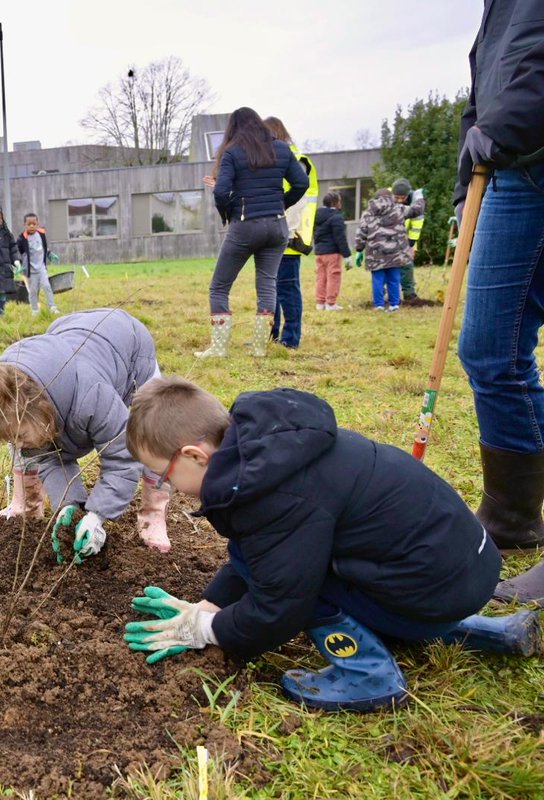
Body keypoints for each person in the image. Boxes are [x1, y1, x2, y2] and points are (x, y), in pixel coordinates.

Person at [121, 377, 540, 712]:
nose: (165, 486)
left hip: (438, 591)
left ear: (195, 455)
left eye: (163, 474)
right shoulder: (270, 451)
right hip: (464, 569)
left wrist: (210, 630)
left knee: (305, 583)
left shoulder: (274, 496)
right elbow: (255, 552)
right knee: (289, 563)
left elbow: (280, 605)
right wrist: (210, 604)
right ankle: (483, 630)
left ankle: (368, 674)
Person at [453, 0, 544, 603]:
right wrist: (469, 174)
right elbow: (489, 75)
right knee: (489, 350)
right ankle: (512, 515)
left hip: (523, 140)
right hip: (508, 169)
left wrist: (508, 122)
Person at [0, 309, 172, 557]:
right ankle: (25, 506)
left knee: (152, 432)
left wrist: (98, 514)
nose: (17, 445)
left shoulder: (92, 397)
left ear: (40, 408)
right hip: (71, 334)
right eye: (9, 439)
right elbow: (50, 457)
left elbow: (122, 456)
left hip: (129, 347)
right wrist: (72, 508)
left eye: (19, 435)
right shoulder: (16, 397)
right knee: (35, 444)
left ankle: (153, 513)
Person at [198, 107, 310, 359]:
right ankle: (260, 347)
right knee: (267, 283)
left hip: (246, 226)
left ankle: (218, 348)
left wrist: (228, 213)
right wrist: (282, 204)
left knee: (219, 286)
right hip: (277, 227)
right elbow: (301, 183)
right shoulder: (281, 149)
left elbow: (220, 191)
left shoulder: (232, 152)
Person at [265, 117, 318, 350]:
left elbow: (297, 202)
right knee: (270, 290)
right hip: (273, 237)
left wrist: (286, 231)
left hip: (289, 238)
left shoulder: (296, 160)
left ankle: (291, 338)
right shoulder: (276, 159)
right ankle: (272, 336)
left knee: (287, 290)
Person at [354, 188, 424, 311]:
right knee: (394, 279)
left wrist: (359, 249)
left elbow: (361, 233)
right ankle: (394, 304)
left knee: (377, 279)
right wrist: (419, 197)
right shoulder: (398, 209)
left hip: (375, 254)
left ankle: (379, 305)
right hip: (395, 253)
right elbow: (416, 210)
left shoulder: (368, 213)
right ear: (390, 197)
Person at [312, 191, 351, 310]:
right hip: (333, 253)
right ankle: (331, 303)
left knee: (321, 277)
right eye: (339, 201)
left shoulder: (317, 216)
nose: (341, 204)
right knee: (333, 276)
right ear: (335, 203)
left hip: (319, 253)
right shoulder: (336, 217)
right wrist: (347, 255)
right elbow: (340, 238)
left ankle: (320, 302)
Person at [16, 213, 60, 316]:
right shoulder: (22, 238)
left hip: (41, 268)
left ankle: (52, 307)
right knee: (33, 291)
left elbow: (44, 247)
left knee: (47, 286)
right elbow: (17, 252)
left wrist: (50, 254)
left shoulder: (41, 234)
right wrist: (19, 264)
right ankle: (35, 310)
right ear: (24, 225)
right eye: (29, 224)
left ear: (37, 224)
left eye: (34, 224)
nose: (31, 226)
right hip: (31, 271)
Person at [391, 178, 425, 301]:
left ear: (408, 194)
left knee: (407, 264)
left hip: (406, 237)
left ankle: (409, 294)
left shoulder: (416, 203)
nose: (400, 200)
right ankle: (384, 293)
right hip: (388, 237)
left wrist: (411, 245)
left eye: (403, 198)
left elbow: (417, 225)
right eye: (397, 197)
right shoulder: (386, 199)